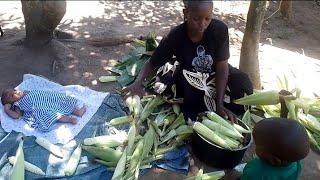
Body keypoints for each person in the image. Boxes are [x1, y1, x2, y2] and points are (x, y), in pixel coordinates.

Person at [123, 0, 253, 122]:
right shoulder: (176, 36)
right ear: (186, 13)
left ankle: (217, 108)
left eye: (207, 18)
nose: (202, 24)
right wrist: (138, 83)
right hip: (190, 77)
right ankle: (206, 111)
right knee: (191, 95)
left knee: (243, 86)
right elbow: (153, 62)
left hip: (215, 75)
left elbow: (222, 67)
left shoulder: (220, 30)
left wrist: (219, 104)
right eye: (196, 19)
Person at [223, 118, 310, 180]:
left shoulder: (256, 171)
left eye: (257, 145)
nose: (254, 146)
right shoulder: (296, 163)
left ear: (274, 160)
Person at [1, 89, 86, 132]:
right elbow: (17, 115)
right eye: (12, 95)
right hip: (39, 107)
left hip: (46, 100)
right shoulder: (17, 105)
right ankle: (70, 120)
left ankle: (77, 111)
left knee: (60, 101)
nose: (16, 92)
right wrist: (7, 110)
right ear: (12, 102)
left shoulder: (25, 92)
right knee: (51, 113)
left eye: (14, 90)